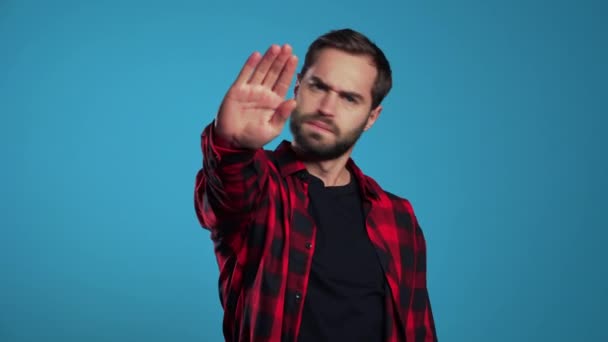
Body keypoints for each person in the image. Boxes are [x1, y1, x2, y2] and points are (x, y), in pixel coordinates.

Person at [194, 28, 437, 342]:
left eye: (349, 98)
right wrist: (231, 145)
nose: (326, 107)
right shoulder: (261, 187)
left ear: (371, 117)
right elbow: (224, 193)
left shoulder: (397, 216)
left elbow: (418, 329)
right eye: (317, 86)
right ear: (297, 88)